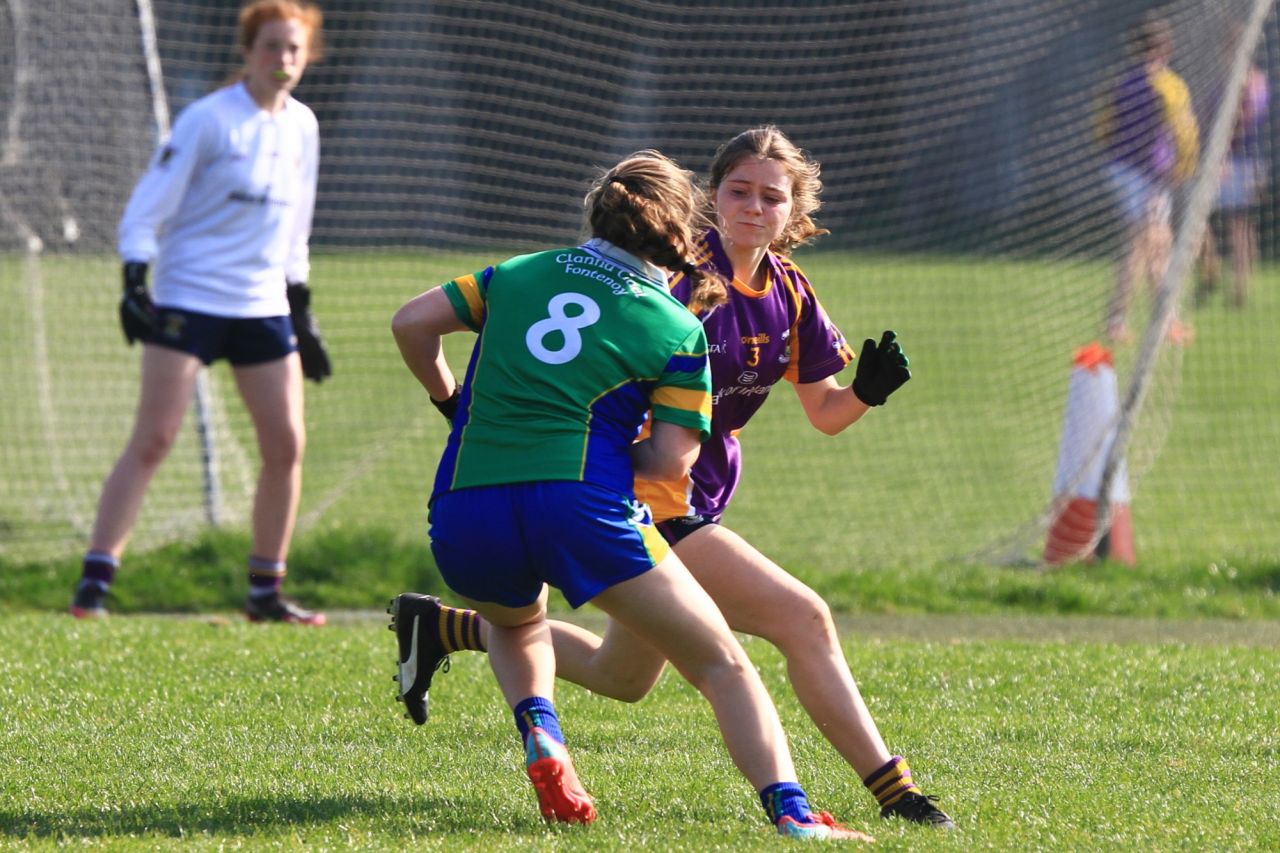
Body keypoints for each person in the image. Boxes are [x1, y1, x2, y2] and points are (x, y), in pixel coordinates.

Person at [392, 127, 954, 829]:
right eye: (738, 191)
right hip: (647, 500)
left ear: (794, 210)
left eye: (771, 196)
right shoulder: (673, 275)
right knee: (801, 619)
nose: (753, 206)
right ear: (707, 200)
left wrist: (867, 393)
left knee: (621, 677)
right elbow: (639, 420)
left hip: (653, 495)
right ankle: (891, 790)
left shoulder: (789, 291)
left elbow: (827, 413)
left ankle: (446, 627)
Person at [69, 0, 331, 625]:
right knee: (154, 438)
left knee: (286, 445)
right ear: (247, 52)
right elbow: (145, 208)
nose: (283, 59)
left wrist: (301, 309)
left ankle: (265, 593)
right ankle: (93, 587)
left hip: (262, 304)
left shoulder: (303, 126)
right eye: (271, 47)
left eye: (293, 49)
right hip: (189, 297)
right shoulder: (208, 120)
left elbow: (297, 229)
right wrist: (135, 278)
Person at [1099, 13, 1201, 345]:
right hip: (1149, 177)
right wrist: (1184, 166)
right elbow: (1184, 132)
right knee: (1142, 245)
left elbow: (1101, 126)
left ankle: (1165, 319)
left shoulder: (1120, 81)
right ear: (1165, 47)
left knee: (1158, 245)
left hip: (1118, 169)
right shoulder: (1169, 85)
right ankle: (1117, 319)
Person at [1198, 46, 1268, 308]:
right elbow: (1207, 117)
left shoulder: (1254, 83)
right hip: (1221, 159)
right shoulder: (1224, 83)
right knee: (1199, 218)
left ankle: (1240, 287)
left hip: (1242, 162)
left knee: (1239, 223)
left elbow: (1246, 121)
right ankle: (1211, 269)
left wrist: (1224, 149)